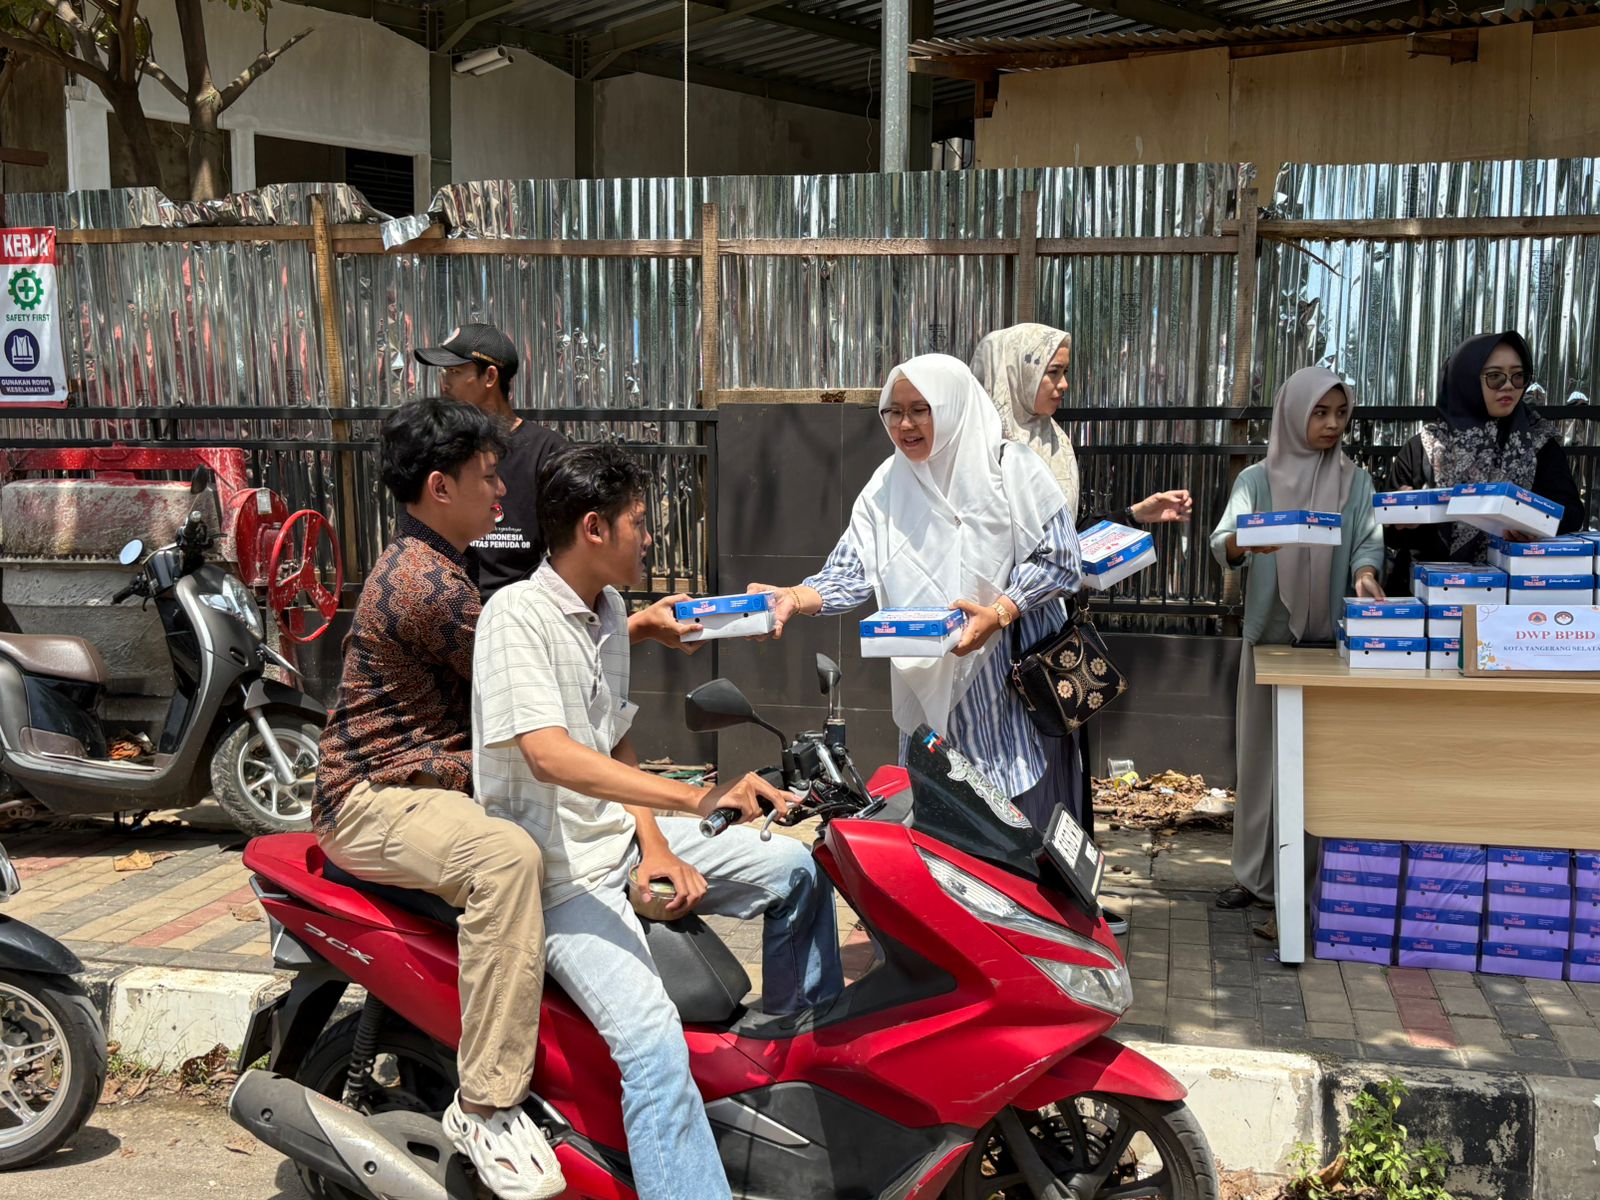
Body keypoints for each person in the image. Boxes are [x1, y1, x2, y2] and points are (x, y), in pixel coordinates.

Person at [472, 444, 845, 1200]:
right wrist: (698, 801)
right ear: (594, 529)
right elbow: (550, 757)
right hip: (560, 873)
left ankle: (785, 1085)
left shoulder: (607, 612)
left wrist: (651, 845)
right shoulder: (515, 617)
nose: (651, 538)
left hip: (615, 841)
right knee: (651, 1045)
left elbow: (612, 739)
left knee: (796, 871)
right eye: (640, 524)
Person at [313, 398, 564, 1200]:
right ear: (437, 486)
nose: (501, 495)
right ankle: (487, 1103)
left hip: (426, 784)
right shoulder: (427, 585)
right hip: (373, 796)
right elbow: (527, 668)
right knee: (506, 861)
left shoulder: (443, 566)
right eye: (487, 478)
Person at [751, 353, 1084, 833]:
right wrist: (796, 598)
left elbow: (1060, 561)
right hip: (922, 677)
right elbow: (851, 571)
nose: (904, 424)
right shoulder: (887, 485)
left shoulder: (1011, 469)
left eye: (920, 409)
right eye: (893, 411)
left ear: (951, 406)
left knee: (1009, 817)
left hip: (998, 681)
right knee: (937, 815)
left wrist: (1000, 611)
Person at [1209, 368, 1384, 919]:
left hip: (1330, 645)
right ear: (1292, 413)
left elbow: (1366, 541)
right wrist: (1247, 543)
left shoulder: (1355, 482)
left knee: (1319, 766)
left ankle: (1309, 879)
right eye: (1320, 413)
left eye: (1340, 414)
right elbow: (1223, 541)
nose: (1332, 425)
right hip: (1270, 640)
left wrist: (1364, 575)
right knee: (1261, 760)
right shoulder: (1257, 480)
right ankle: (1255, 876)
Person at [417, 320, 702, 650]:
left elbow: (572, 555)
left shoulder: (546, 451)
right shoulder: (439, 452)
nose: (443, 383)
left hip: (521, 630)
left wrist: (624, 627)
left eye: (454, 372)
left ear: (490, 378)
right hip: (448, 629)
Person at [1383, 330, 1587, 594]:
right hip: (1429, 600)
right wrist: (1402, 517)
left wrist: (1534, 525)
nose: (1509, 386)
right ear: (1465, 380)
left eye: (1518, 375)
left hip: (1510, 598)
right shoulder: (1424, 446)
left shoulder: (1538, 442)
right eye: (1495, 377)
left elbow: (1570, 513)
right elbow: (1390, 535)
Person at [969, 323, 1193, 528]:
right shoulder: (975, 448)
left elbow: (1066, 536)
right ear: (1017, 372)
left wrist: (1134, 514)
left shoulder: (1055, 440)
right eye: (1053, 372)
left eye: (1065, 372)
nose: (1064, 384)